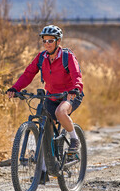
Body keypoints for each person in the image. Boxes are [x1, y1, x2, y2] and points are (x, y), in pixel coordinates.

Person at [6, 25, 84, 183]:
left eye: (50, 41)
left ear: (58, 41)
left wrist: (75, 89)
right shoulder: (41, 58)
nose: (47, 43)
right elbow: (28, 74)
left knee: (60, 113)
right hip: (51, 96)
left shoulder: (67, 56)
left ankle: (75, 140)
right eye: (44, 41)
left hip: (70, 94)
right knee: (44, 128)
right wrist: (15, 88)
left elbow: (76, 74)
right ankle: (42, 171)